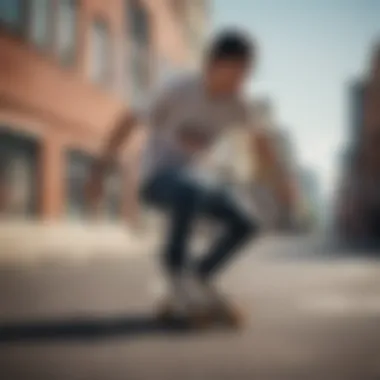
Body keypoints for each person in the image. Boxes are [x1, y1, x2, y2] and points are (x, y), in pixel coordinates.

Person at [88, 29, 262, 326]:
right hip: (157, 180)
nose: (241, 82)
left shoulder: (238, 104)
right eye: (238, 72)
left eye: (247, 74)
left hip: (200, 184)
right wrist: (100, 172)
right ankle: (175, 277)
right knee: (190, 186)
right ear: (215, 64)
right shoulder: (177, 88)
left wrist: (281, 182)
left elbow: (261, 141)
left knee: (247, 221)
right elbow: (128, 120)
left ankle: (198, 277)